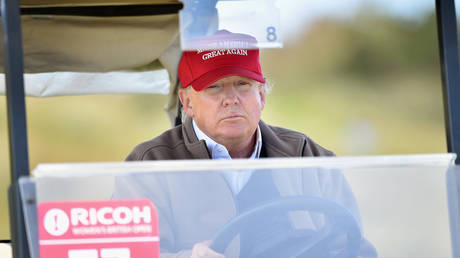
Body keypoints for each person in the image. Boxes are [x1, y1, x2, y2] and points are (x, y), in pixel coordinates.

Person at [121, 31, 377, 257]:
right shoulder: (149, 165)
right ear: (187, 103)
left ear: (261, 96)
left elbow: (354, 246)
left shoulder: (306, 155)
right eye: (214, 87)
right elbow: (127, 252)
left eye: (243, 85)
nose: (231, 99)